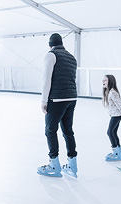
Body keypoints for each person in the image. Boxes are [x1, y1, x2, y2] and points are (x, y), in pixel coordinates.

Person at [37, 33, 78, 178]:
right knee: (68, 130)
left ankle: (54, 164)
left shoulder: (51, 55)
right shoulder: (72, 58)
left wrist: (44, 100)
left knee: (50, 130)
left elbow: (46, 78)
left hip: (57, 99)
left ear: (50, 45)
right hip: (71, 97)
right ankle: (72, 165)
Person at [102, 75, 121, 161]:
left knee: (110, 132)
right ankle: (118, 153)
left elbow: (119, 103)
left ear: (110, 81)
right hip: (114, 114)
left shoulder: (113, 92)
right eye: (103, 80)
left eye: (105, 80)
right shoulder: (108, 91)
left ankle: (116, 152)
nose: (103, 81)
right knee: (113, 132)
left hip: (117, 115)